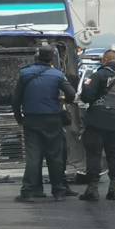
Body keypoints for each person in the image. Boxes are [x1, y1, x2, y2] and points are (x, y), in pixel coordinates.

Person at [12, 45, 76, 202]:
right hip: (53, 120)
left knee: (34, 157)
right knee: (55, 156)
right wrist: (64, 100)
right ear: (52, 58)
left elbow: (16, 99)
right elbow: (72, 94)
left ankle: (29, 191)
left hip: (32, 120)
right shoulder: (57, 74)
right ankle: (59, 191)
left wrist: (19, 117)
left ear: (36, 57)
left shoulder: (25, 73)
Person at [79, 49, 115, 202]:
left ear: (104, 60)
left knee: (94, 155)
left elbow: (86, 96)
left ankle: (92, 189)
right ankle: (113, 189)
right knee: (114, 155)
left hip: (96, 122)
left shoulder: (99, 74)